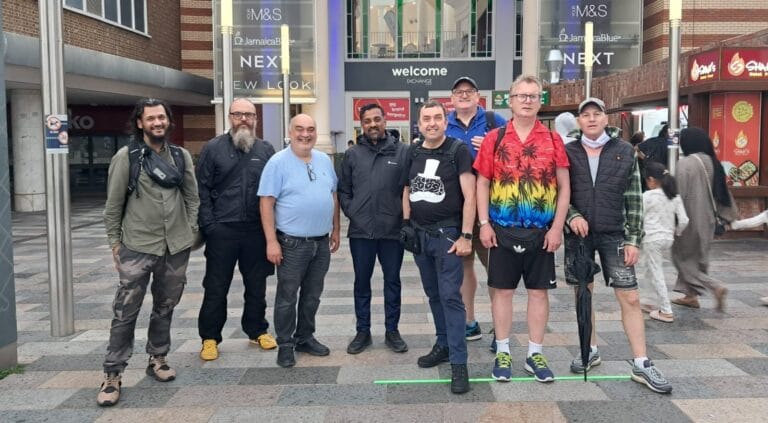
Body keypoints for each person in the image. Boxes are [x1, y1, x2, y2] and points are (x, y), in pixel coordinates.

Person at [564, 97, 672, 394]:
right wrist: (571, 216)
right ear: (579, 121)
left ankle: (641, 361)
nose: (591, 119)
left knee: (630, 297)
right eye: (585, 115)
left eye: (596, 114)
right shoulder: (567, 151)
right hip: (579, 235)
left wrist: (634, 239)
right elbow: (560, 191)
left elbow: (634, 198)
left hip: (615, 234)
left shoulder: (624, 151)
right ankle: (590, 349)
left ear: (605, 118)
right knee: (583, 293)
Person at [99, 98, 199, 406]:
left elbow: (192, 199)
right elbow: (113, 206)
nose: (158, 123)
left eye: (162, 118)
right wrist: (115, 244)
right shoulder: (126, 158)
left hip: (175, 248)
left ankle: (158, 357)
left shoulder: (181, 157)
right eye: (151, 118)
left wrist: (189, 232)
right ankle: (113, 373)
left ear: (168, 122)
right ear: (140, 123)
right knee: (125, 312)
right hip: (137, 246)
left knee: (165, 306)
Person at [474, 74, 570, 383]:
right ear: (511, 100)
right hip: (501, 229)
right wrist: (484, 223)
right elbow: (483, 182)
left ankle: (534, 353)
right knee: (502, 292)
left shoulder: (553, 140)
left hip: (541, 234)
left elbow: (564, 187)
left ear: (540, 101)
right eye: (521, 95)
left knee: (538, 293)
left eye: (533, 95)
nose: (527, 100)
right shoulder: (495, 138)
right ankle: (503, 351)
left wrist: (557, 228)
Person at [403, 100, 476, 394]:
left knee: (450, 298)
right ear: (419, 124)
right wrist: (406, 223)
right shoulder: (414, 151)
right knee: (433, 294)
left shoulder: (457, 150)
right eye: (426, 119)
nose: (431, 123)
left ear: (446, 122)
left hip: (448, 236)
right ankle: (443, 344)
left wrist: (466, 236)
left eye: (437, 118)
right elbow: (407, 188)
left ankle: (460, 363)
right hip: (420, 236)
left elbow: (469, 195)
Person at [196, 98, 277, 361]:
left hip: (255, 230)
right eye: (238, 114)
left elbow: (274, 192)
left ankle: (256, 330)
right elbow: (202, 189)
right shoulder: (213, 148)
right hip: (223, 231)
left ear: (256, 119)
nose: (244, 119)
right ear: (230, 117)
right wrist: (210, 226)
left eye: (249, 115)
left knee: (257, 285)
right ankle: (210, 337)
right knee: (216, 286)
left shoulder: (266, 150)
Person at [258, 114, 341, 368]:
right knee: (287, 295)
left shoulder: (324, 160)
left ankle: (305, 336)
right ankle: (285, 343)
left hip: (321, 241)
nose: (306, 134)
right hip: (291, 243)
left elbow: (333, 195)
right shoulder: (277, 162)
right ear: (290, 132)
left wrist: (336, 229)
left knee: (313, 295)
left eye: (311, 129)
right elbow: (266, 202)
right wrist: (271, 241)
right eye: (300, 129)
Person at [339, 103, 409, 355]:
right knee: (361, 283)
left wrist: (403, 220)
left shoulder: (403, 152)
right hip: (361, 232)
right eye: (367, 121)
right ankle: (363, 331)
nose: (372, 125)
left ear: (385, 120)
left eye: (377, 119)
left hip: (392, 232)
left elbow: (408, 189)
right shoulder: (352, 154)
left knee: (392, 282)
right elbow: (344, 190)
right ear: (361, 124)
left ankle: (392, 331)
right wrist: (353, 212)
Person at [445, 76, 506, 342]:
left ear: (478, 95)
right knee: (463, 269)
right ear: (452, 97)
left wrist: (495, 149)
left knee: (496, 270)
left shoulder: (495, 121)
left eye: (469, 91)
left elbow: (515, 158)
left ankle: (499, 326)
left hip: (491, 210)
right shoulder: (443, 123)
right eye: (459, 92)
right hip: (455, 209)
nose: (464, 95)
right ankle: (469, 321)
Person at [671, 127, 738, 311]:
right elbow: (723, 193)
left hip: (689, 220)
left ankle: (715, 286)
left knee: (682, 258)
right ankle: (690, 296)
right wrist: (728, 217)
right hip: (708, 220)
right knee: (697, 258)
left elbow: (678, 194)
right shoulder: (712, 162)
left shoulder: (685, 164)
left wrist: (672, 219)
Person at [637, 162, 689, 323]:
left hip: (652, 238)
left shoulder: (648, 196)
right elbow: (684, 220)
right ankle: (647, 300)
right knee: (649, 268)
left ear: (651, 179)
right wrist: (677, 232)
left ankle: (666, 310)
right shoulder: (675, 197)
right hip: (668, 238)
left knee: (656, 271)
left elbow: (639, 217)